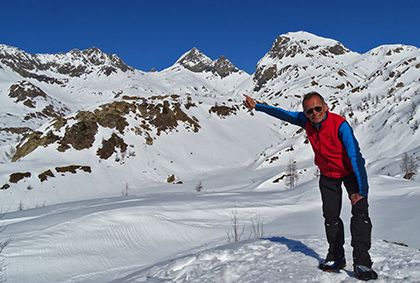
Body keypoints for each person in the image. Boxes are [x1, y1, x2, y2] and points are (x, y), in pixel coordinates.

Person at [244, 92, 378, 281]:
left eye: (317, 108)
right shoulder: (306, 121)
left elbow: (356, 157)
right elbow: (283, 114)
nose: (314, 113)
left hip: (350, 174)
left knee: (360, 216)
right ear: (305, 113)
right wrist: (257, 106)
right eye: (309, 111)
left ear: (325, 106)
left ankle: (362, 263)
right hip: (328, 175)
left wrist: (362, 191)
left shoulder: (340, 126)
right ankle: (336, 257)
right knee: (331, 217)